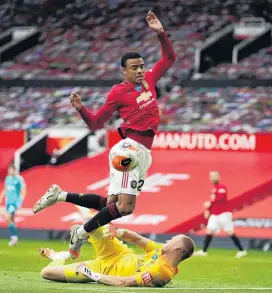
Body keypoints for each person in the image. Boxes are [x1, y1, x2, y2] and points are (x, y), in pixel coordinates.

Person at [33, 10, 176, 255]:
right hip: (128, 149)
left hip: (143, 153)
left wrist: (160, 33)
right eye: (134, 68)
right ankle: (81, 232)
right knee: (126, 207)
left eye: (142, 66)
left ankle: (61, 195)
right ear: (124, 71)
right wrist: (81, 109)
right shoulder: (118, 92)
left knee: (110, 205)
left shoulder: (150, 80)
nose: (140, 70)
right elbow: (96, 125)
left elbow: (170, 58)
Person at [39, 211, 195, 287]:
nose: (167, 241)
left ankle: (59, 257)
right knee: (90, 220)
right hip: (117, 253)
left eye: (170, 240)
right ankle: (78, 237)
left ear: (178, 246)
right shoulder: (160, 250)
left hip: (103, 271)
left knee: (46, 273)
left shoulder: (161, 272)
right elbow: (136, 238)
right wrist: (117, 232)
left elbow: (124, 282)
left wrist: (93, 275)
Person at [193, 171, 247, 258]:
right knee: (209, 231)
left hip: (223, 213)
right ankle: (204, 251)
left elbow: (221, 198)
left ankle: (241, 250)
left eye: (215, 176)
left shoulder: (222, 187)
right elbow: (214, 203)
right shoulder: (213, 190)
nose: (213, 178)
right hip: (215, 214)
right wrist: (208, 210)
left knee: (230, 232)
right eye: (211, 176)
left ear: (219, 177)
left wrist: (210, 203)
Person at [0, 163, 26, 246]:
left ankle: (14, 238)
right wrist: (0, 198)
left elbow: (23, 190)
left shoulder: (19, 179)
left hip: (14, 203)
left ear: (14, 170)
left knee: (7, 219)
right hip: (8, 202)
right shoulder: (8, 178)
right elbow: (5, 189)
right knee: (11, 220)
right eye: (9, 170)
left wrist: (20, 201)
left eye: (12, 170)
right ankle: (15, 238)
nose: (10, 171)